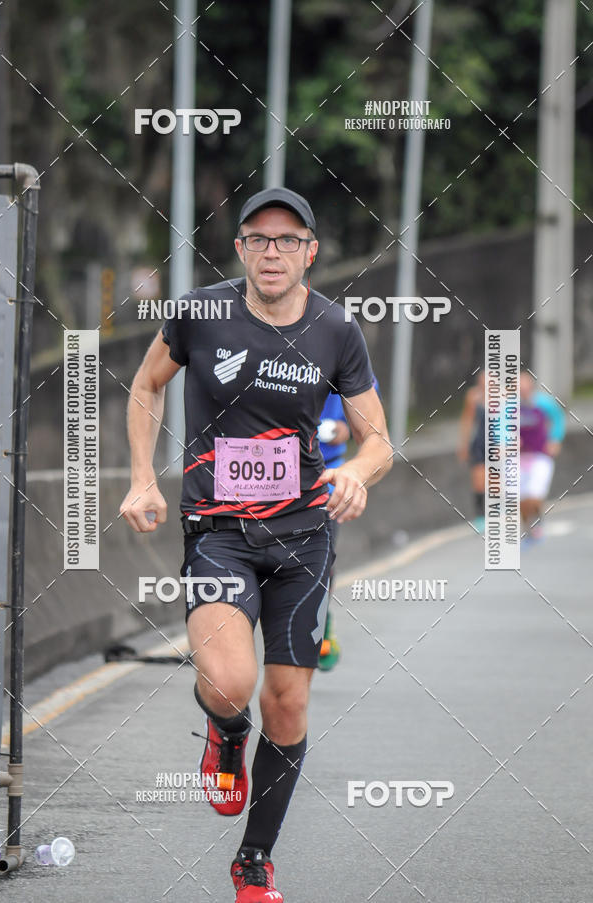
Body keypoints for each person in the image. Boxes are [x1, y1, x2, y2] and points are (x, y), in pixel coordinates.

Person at [120, 186, 392, 902]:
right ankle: (224, 731)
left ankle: (253, 862)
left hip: (304, 535)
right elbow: (147, 383)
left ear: (311, 251)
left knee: (289, 704)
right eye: (259, 239)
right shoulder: (202, 311)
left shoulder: (336, 329)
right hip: (218, 532)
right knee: (228, 683)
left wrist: (358, 473)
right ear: (240, 249)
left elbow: (379, 439)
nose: (273, 252)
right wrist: (143, 478)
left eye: (288, 239)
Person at [316, 393, 350, 671]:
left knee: (323, 561)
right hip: (271, 483)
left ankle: (321, 625)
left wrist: (344, 429)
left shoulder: (347, 354)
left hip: (328, 478)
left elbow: (372, 428)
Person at [519, 371, 565, 542]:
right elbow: (499, 425)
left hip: (540, 456)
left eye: (525, 386)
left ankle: (537, 519)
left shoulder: (544, 403)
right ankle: (527, 525)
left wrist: (555, 439)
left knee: (535, 494)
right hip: (518, 458)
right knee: (521, 497)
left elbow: (558, 419)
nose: (522, 390)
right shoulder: (509, 406)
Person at [457, 371, 487, 532]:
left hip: (498, 445)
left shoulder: (504, 396)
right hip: (480, 443)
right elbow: (467, 421)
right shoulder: (473, 397)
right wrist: (463, 445)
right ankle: (480, 516)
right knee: (478, 482)